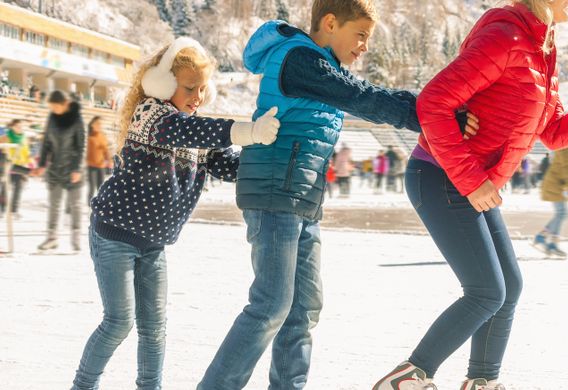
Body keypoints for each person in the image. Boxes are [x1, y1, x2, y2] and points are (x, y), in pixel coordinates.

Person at [198, 3, 480, 388]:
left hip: (301, 199)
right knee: (271, 305)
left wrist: (436, 110)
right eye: (361, 35)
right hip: (274, 194)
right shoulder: (300, 60)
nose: (365, 46)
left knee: (303, 309)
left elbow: (368, 93)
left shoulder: (321, 65)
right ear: (330, 23)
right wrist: (435, 117)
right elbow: (362, 98)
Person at [372, 0, 568, 388]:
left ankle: (482, 381)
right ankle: (408, 378)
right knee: (486, 291)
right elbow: (433, 101)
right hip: (442, 174)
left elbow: (556, 133)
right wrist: (472, 180)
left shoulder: (542, 51)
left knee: (508, 287)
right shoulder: (505, 38)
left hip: (470, 181)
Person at [71, 37, 280, 390]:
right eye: (189, 87)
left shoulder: (195, 131)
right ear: (164, 84)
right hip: (114, 235)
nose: (197, 96)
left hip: (153, 244)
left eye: (202, 88)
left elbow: (230, 166)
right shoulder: (151, 115)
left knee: (155, 328)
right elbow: (183, 130)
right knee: (119, 321)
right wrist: (246, 131)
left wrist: (269, 156)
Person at [34, 90, 85, 251]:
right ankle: (52, 238)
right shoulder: (52, 118)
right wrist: (41, 164)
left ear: (65, 104)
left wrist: (77, 168)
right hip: (55, 168)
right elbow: (46, 143)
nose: (53, 110)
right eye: (51, 107)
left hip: (72, 168)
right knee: (54, 205)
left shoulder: (76, 118)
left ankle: (76, 237)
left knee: (75, 204)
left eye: (55, 107)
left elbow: (80, 146)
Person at [533, 140, 568, 258]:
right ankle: (548, 241)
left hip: (560, 183)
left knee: (563, 213)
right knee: (562, 213)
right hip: (555, 183)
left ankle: (545, 239)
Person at [0, 119, 32, 218]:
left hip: (21, 167)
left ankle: (14, 210)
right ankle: (2, 210)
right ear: (12, 127)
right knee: (5, 190)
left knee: (18, 190)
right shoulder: (5, 137)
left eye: (21, 126)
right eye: (18, 126)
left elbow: (27, 152)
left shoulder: (24, 138)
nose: (20, 128)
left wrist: (29, 164)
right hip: (9, 167)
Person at [85, 116, 112, 204]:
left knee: (100, 187)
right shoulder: (89, 137)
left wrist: (109, 161)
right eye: (97, 124)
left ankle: (100, 204)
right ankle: (89, 205)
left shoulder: (102, 136)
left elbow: (106, 150)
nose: (99, 125)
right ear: (92, 125)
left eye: (100, 124)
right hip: (91, 166)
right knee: (91, 187)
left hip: (101, 166)